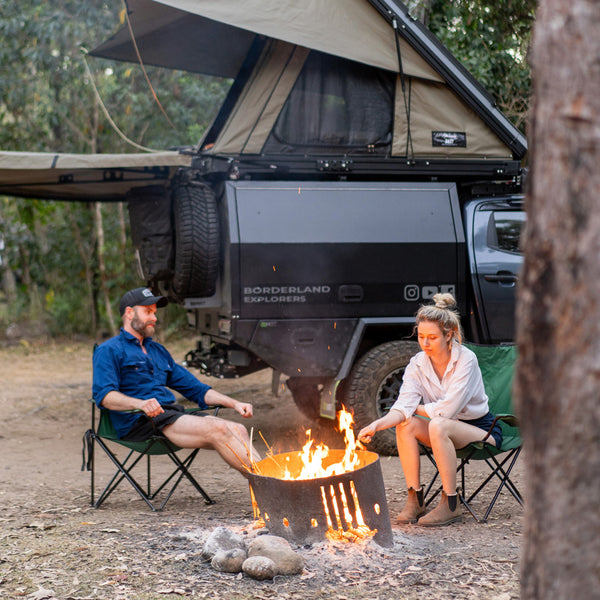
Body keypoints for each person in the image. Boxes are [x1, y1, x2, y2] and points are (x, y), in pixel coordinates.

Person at [358, 293, 502, 526]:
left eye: (432, 338)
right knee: (406, 424)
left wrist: (415, 408)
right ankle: (415, 499)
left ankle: (450, 504)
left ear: (449, 335)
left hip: (481, 430)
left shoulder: (466, 359)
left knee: (437, 423)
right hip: (443, 430)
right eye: (421, 336)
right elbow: (403, 407)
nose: (425, 343)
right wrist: (377, 424)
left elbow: (448, 409)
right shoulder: (417, 363)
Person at [92, 287, 261, 474]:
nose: (154, 318)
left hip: (168, 415)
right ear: (130, 312)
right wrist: (141, 404)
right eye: (148, 312)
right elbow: (105, 396)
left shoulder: (158, 351)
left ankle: (270, 480)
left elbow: (197, 390)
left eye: (154, 313)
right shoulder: (109, 350)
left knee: (239, 430)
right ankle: (269, 484)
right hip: (138, 421)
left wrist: (235, 403)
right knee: (218, 428)